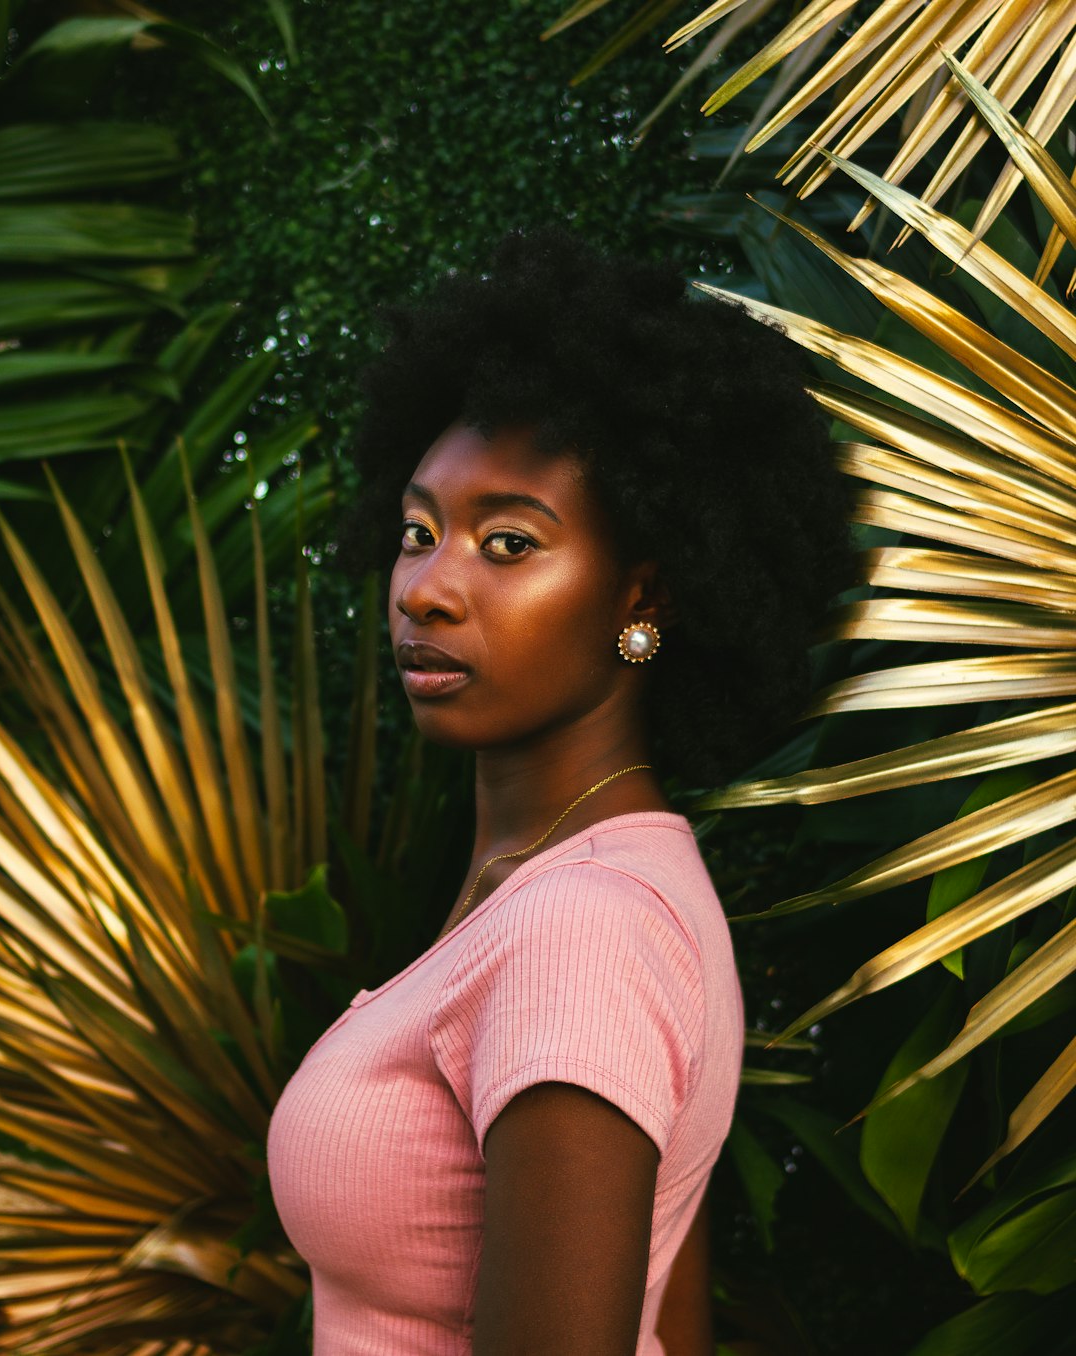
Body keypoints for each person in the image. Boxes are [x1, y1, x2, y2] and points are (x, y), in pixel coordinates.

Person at [266, 228, 851, 1354]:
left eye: (508, 543)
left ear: (641, 595)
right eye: (418, 533)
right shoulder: (583, 885)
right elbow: (663, 1319)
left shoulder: (579, 933)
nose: (428, 590)